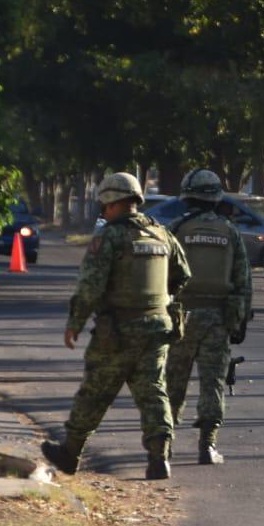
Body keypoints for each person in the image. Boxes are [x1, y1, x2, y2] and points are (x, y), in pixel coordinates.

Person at [42, 172, 191, 480]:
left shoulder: (109, 236)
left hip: (118, 331)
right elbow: (183, 273)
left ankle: (70, 453)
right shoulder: (162, 234)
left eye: (103, 204)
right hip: (157, 328)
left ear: (111, 202)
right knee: (154, 392)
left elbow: (90, 286)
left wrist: (75, 323)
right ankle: (159, 458)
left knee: (94, 392)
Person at [166, 169, 252, 464]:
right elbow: (243, 281)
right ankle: (207, 445)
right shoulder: (231, 232)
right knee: (212, 382)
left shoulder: (176, 229)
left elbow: (161, 276)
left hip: (179, 317)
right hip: (218, 318)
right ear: (216, 198)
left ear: (188, 197)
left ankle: (163, 447)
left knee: (172, 382)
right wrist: (238, 322)